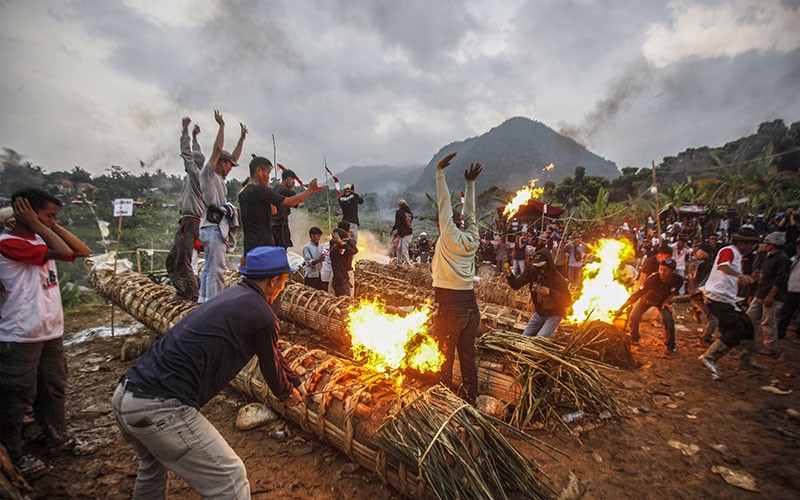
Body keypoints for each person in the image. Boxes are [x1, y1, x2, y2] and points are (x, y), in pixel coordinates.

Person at [111, 246, 306, 498]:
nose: (283, 287)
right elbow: (270, 365)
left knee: (152, 468)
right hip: (159, 407)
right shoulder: (262, 314)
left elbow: (272, 352)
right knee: (231, 480)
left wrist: (295, 380)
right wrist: (288, 393)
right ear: (273, 281)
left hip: (126, 397)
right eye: (284, 281)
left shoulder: (235, 296)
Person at [1, 189, 94, 481]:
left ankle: (57, 435)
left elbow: (81, 251)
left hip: (50, 330)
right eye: (49, 215)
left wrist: (47, 224)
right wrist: (40, 225)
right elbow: (65, 252)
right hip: (20, 334)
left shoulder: (41, 237)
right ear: (25, 211)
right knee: (17, 396)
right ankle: (15, 453)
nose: (53, 221)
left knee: (53, 388)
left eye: (56, 216)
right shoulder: (8, 243)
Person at [431, 152, 482, 406]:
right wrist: (470, 185)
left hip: (451, 306)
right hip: (471, 306)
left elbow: (444, 205)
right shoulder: (472, 238)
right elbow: (470, 213)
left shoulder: (448, 234)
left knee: (445, 355)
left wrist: (440, 172)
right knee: (467, 355)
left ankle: (443, 404)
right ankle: (470, 399)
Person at [698, 228, 761, 380]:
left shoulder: (739, 257)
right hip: (717, 298)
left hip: (727, 299)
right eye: (749, 244)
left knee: (747, 325)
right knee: (735, 330)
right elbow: (723, 267)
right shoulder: (729, 250)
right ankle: (709, 357)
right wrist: (740, 275)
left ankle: (747, 360)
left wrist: (749, 277)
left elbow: (733, 277)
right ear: (740, 243)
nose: (751, 248)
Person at [198, 110, 247, 303]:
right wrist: (222, 127)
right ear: (220, 164)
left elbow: (232, 156)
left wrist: (242, 139)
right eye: (227, 165)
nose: (229, 169)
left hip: (215, 227)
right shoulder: (208, 175)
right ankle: (213, 303)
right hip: (212, 227)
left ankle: (203, 299)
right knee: (217, 268)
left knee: (211, 267)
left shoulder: (219, 178)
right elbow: (217, 150)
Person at [238, 156, 320, 258]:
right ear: (258, 171)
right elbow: (291, 202)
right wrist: (310, 190)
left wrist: (267, 188)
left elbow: (273, 211)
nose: (268, 177)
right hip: (263, 247)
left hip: (249, 248)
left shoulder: (243, 193)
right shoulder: (259, 190)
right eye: (267, 173)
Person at [166, 117, 205, 301]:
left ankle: (192, 294)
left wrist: (185, 131)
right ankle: (183, 290)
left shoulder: (197, 175)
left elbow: (189, 155)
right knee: (173, 260)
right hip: (187, 222)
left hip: (191, 223)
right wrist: (196, 138)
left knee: (184, 261)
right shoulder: (195, 176)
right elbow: (196, 155)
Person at [616, 258, 683, 354]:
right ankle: (634, 338)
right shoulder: (652, 279)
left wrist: (667, 301)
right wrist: (622, 307)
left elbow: (674, 290)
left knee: (669, 320)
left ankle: (671, 347)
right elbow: (638, 294)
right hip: (647, 300)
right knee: (634, 316)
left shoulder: (678, 279)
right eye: (661, 269)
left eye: (666, 270)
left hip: (662, 301)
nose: (662, 272)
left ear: (672, 272)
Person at [507, 250, 572, 338]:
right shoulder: (532, 272)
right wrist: (509, 275)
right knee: (524, 337)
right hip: (539, 313)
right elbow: (516, 285)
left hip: (554, 315)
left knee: (539, 339)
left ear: (547, 265)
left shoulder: (558, 279)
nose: (538, 270)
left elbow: (568, 301)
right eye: (536, 266)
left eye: (540, 267)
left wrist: (551, 292)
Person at [747, 232, 790, 357]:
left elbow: (781, 279)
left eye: (766, 243)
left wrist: (771, 295)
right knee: (750, 317)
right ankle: (749, 342)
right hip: (761, 292)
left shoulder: (782, 258)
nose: (764, 245)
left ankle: (770, 347)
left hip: (772, 296)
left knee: (768, 321)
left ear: (772, 245)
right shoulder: (769, 256)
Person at [687, 244, 718, 344]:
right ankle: (706, 337)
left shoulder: (694, 262)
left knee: (708, 310)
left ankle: (695, 310)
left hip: (696, 292)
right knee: (713, 318)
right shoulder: (705, 264)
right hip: (700, 294)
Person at [777, 242, 800, 343]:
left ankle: (798, 336)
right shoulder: (795, 259)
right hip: (792, 289)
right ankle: (780, 332)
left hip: (796, 289)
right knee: (786, 312)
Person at [272, 169, 300, 249]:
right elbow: (295, 203)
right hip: (280, 224)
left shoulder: (276, 188)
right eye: (293, 180)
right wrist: (291, 187)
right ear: (289, 179)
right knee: (282, 248)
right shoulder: (284, 190)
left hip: (274, 223)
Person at [329, 228, 358, 297]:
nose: (346, 242)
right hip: (339, 279)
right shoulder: (336, 249)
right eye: (344, 240)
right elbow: (350, 251)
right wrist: (342, 243)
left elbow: (355, 251)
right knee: (343, 299)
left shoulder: (342, 247)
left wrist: (347, 240)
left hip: (343, 278)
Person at [391, 199, 413, 267]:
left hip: (405, 234)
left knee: (404, 250)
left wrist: (393, 229)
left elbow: (398, 223)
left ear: (399, 205)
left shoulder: (399, 212)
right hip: (408, 232)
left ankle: (409, 266)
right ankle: (398, 263)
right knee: (399, 249)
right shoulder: (410, 213)